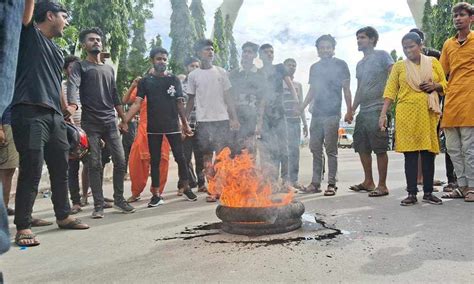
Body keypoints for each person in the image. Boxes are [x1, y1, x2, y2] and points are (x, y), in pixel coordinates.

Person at [10, 1, 90, 247]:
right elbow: (25, 14)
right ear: (49, 15)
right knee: (32, 169)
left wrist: (66, 109)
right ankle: (23, 226)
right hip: (29, 112)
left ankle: (63, 215)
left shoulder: (56, 51)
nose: (67, 22)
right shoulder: (29, 35)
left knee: (60, 168)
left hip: (55, 116)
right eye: (64, 17)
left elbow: (57, 83)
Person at [67, 27, 135, 218]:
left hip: (111, 122)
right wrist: (72, 104)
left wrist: (123, 119)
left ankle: (120, 200)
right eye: (91, 40)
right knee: (94, 163)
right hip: (91, 123)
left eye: (98, 39)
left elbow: (114, 96)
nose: (96, 42)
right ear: (84, 45)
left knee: (121, 160)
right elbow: (73, 85)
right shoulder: (80, 67)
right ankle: (98, 205)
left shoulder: (108, 69)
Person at [122, 47, 197, 206]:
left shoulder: (174, 80)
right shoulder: (145, 81)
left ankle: (186, 187)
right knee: (154, 161)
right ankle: (156, 195)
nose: (162, 61)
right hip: (153, 127)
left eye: (164, 59)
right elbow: (136, 103)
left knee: (181, 158)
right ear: (152, 60)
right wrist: (125, 120)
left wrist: (185, 125)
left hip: (173, 126)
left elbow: (179, 103)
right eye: (158, 59)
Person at [379, 32, 447, 206]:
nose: (408, 50)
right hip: (406, 113)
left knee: (428, 153)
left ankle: (429, 192)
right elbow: (390, 90)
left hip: (427, 113)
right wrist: (383, 114)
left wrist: (435, 85)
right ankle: (411, 193)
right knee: (410, 155)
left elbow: (445, 85)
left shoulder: (433, 63)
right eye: (405, 47)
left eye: (411, 46)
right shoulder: (399, 66)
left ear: (420, 45)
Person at [185, 39, 240, 202]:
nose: (211, 52)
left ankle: (222, 187)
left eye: (212, 49)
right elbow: (190, 100)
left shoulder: (221, 72)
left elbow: (229, 97)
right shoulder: (193, 75)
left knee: (222, 157)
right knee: (206, 158)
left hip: (222, 120)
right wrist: (185, 122)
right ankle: (212, 189)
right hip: (204, 122)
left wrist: (234, 118)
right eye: (207, 49)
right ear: (199, 53)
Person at [300, 35, 352, 196]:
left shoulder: (341, 65)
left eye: (327, 47)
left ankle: (331, 183)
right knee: (315, 148)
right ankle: (315, 183)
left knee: (331, 149)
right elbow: (312, 90)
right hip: (317, 114)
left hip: (332, 114)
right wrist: (301, 106)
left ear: (333, 49)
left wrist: (350, 110)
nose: (324, 50)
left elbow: (346, 89)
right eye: (321, 47)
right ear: (318, 50)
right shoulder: (314, 68)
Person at [350, 26, 394, 197]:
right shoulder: (360, 64)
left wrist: (387, 104)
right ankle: (369, 181)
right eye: (358, 38)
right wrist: (352, 109)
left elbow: (394, 75)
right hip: (364, 110)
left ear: (372, 40)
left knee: (380, 147)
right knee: (362, 146)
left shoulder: (382, 55)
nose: (359, 40)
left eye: (362, 37)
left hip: (378, 108)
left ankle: (382, 185)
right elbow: (360, 88)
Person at [439, 2, 474, 202]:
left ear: (471, 18)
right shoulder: (448, 44)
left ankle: (472, 187)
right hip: (451, 101)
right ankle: (461, 186)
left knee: (469, 148)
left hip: (470, 99)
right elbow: (442, 73)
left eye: (462, 15)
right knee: (452, 148)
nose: (457, 19)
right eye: (455, 16)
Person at [258, 43, 299, 192]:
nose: (270, 54)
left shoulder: (280, 68)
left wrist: (296, 103)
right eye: (267, 52)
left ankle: (286, 181)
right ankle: (271, 182)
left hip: (280, 114)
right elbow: (261, 97)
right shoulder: (259, 72)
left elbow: (290, 85)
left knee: (284, 148)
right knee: (270, 150)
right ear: (260, 56)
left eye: (272, 52)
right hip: (267, 116)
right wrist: (260, 120)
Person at [124, 77, 171, 204]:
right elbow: (126, 101)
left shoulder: (167, 89)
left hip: (162, 129)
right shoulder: (142, 90)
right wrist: (133, 85)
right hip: (144, 130)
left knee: (162, 161)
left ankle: (157, 193)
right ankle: (136, 192)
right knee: (136, 162)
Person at [228, 42, 267, 156]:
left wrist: (259, 122)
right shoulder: (234, 73)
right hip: (236, 116)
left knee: (250, 150)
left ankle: (249, 174)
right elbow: (229, 97)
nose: (246, 54)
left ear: (255, 55)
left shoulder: (260, 74)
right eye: (244, 51)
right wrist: (232, 118)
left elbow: (262, 99)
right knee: (234, 151)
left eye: (250, 52)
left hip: (252, 117)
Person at [181, 57, 206, 193]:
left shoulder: (204, 84)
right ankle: (190, 182)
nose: (195, 69)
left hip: (202, 125)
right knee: (185, 156)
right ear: (187, 68)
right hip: (186, 125)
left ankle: (202, 183)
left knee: (200, 156)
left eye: (197, 66)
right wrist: (182, 124)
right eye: (192, 66)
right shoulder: (180, 84)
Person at [283, 58, 308, 191]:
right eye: (289, 65)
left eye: (294, 65)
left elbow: (301, 103)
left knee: (295, 151)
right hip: (283, 121)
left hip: (295, 121)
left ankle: (294, 180)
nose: (292, 67)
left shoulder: (298, 85)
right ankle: (285, 180)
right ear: (284, 66)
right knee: (285, 151)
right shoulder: (279, 83)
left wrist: (304, 122)